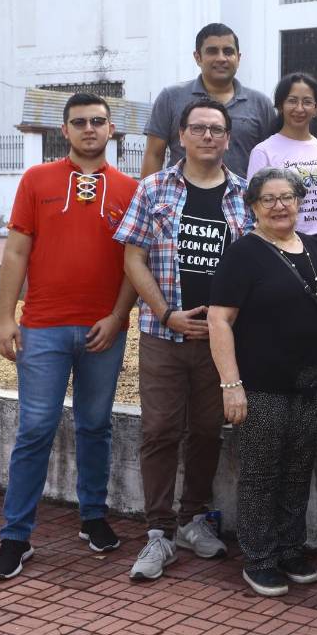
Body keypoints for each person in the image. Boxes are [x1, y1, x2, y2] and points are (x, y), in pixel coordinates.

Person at [0, 93, 139, 581]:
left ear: (111, 129)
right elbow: (15, 253)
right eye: (80, 123)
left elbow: (135, 264)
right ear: (65, 130)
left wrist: (117, 318)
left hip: (103, 331)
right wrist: (5, 317)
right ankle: (16, 536)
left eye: (98, 121)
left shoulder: (131, 189)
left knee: (96, 425)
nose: (89, 129)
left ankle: (92, 517)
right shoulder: (36, 180)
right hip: (44, 328)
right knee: (35, 428)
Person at [115, 99, 250, 581]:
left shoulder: (243, 195)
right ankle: (158, 532)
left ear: (228, 139)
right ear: (182, 136)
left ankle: (194, 518)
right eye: (199, 128)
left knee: (208, 432)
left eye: (217, 129)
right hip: (162, 334)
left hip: (219, 341)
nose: (208, 136)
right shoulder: (153, 189)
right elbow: (133, 259)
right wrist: (167, 314)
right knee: (159, 431)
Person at [208, 167, 317, 597]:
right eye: (268, 199)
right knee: (261, 471)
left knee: (297, 468)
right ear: (253, 206)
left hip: (311, 383)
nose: (279, 206)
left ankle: (291, 548)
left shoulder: (314, 248)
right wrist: (230, 384)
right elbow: (219, 319)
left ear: (301, 201)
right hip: (262, 385)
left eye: (287, 196)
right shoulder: (243, 254)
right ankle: (260, 557)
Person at [141, 22, 275, 178]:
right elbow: (154, 154)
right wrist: (148, 200)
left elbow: (271, 159)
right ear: (198, 57)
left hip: (240, 200)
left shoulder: (260, 104)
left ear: (238, 58)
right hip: (181, 198)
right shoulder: (170, 98)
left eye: (228, 51)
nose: (221, 58)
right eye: (212, 51)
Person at [246, 73, 317, 250]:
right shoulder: (263, 151)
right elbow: (255, 205)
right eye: (292, 101)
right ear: (280, 105)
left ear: (316, 107)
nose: (299, 108)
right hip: (282, 244)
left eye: (307, 102)